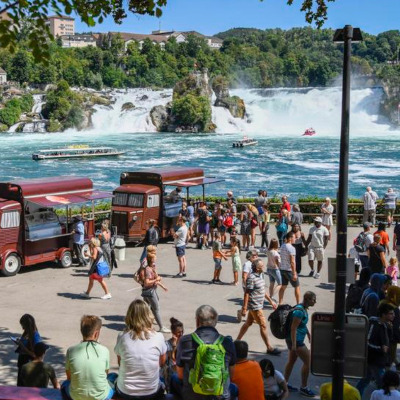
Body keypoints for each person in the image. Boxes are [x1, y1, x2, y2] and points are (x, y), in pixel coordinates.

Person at [175, 305, 237, 400]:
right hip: (220, 396)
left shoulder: (185, 341)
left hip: (193, 396)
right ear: (215, 322)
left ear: (197, 321)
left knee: (174, 379)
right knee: (234, 388)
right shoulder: (227, 343)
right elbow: (231, 374)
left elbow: (180, 374)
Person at [114, 299, 167, 399]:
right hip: (151, 392)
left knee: (112, 377)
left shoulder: (122, 336)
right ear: (148, 315)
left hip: (126, 392)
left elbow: (120, 363)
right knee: (163, 378)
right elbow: (162, 362)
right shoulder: (158, 336)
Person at [62, 315, 114, 400]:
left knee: (65, 384)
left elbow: (69, 377)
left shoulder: (71, 350)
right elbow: (105, 374)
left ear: (81, 331)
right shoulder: (105, 350)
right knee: (112, 377)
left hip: (76, 397)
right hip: (101, 397)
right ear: (96, 333)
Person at [237, 258, 281, 355]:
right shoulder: (251, 278)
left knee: (248, 323)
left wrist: (271, 301)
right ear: (257, 268)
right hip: (255, 306)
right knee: (263, 325)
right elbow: (247, 293)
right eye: (261, 266)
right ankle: (269, 348)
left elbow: (262, 291)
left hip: (258, 305)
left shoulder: (260, 276)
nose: (263, 267)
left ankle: (236, 341)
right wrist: (244, 308)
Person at [356, 303, 395, 395]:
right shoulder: (374, 323)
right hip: (375, 360)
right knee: (384, 385)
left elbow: (388, 341)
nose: (394, 315)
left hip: (379, 360)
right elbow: (367, 342)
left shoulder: (386, 325)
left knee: (364, 381)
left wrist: (390, 329)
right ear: (383, 315)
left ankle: (355, 396)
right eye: (391, 313)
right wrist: (380, 348)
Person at [284, 291, 317, 398]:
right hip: (296, 341)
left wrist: (308, 333)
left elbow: (301, 324)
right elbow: (294, 328)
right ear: (307, 299)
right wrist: (294, 345)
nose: (315, 302)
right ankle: (304, 387)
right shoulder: (299, 312)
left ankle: (284, 384)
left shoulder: (302, 309)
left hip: (293, 340)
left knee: (291, 361)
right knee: (308, 362)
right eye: (313, 299)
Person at [141, 252, 170, 333]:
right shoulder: (148, 269)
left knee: (148, 309)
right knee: (156, 309)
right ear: (152, 259)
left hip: (149, 291)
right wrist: (156, 280)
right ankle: (161, 327)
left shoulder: (152, 267)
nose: (156, 258)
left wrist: (162, 286)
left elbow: (155, 279)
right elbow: (147, 282)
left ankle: (144, 324)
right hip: (150, 292)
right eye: (155, 258)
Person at [16, 314, 43, 386]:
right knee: (20, 386)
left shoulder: (35, 336)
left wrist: (22, 346)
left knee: (25, 388)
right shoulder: (26, 333)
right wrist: (20, 342)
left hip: (28, 366)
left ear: (28, 325)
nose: (22, 328)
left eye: (23, 326)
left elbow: (37, 355)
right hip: (22, 364)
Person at [380, 285, 400, 368]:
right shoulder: (395, 309)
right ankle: (385, 378)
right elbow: (395, 327)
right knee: (390, 358)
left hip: (380, 336)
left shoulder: (382, 303)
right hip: (391, 338)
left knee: (388, 357)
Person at [278, 232, 301, 306]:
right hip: (289, 270)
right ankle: (298, 304)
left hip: (282, 269)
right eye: (294, 237)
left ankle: (280, 303)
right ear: (290, 238)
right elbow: (292, 261)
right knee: (297, 286)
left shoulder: (282, 246)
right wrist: (294, 273)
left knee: (283, 287)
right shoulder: (291, 248)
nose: (295, 239)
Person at [163, 317, 184, 392]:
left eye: (182, 332)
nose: (181, 334)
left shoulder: (184, 343)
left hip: (182, 374)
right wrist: (175, 346)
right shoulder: (167, 344)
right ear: (173, 332)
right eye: (178, 332)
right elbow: (174, 358)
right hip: (171, 375)